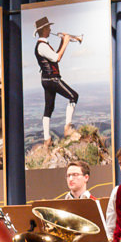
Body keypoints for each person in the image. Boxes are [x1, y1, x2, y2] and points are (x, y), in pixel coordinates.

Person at [32, 15, 82, 146]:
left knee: (49, 108)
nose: (50, 29)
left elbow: (56, 55)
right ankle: (68, 128)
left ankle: (47, 139)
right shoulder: (42, 46)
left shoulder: (43, 45)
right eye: (48, 27)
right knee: (73, 96)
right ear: (44, 30)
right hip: (52, 79)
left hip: (46, 79)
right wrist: (66, 42)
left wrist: (62, 42)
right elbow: (56, 58)